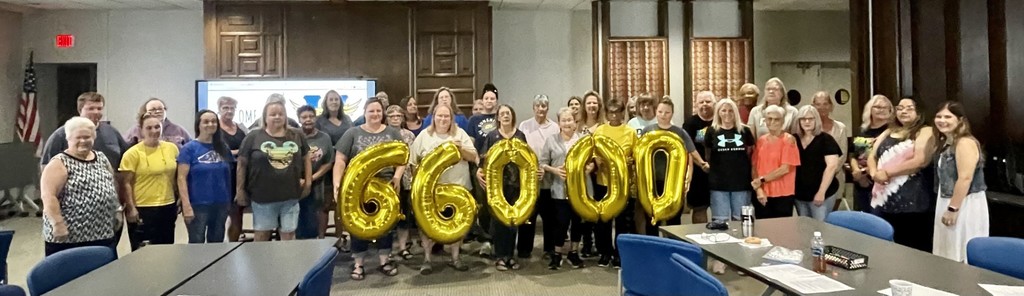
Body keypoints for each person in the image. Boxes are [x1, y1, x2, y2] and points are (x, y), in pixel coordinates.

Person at [40, 92, 130, 253]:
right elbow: (48, 194)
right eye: (78, 138)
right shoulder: (59, 157)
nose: (83, 141)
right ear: (69, 138)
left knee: (104, 271)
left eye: (87, 137)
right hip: (71, 236)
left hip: (103, 231)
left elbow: (114, 179)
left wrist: (118, 208)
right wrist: (57, 223)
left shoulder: (102, 154)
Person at [333, 98, 405, 280]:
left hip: (385, 186)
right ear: (364, 113)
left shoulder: (392, 132)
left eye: (378, 111)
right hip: (358, 188)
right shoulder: (353, 133)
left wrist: (397, 176)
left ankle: (384, 260)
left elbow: (403, 157)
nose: (375, 114)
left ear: (383, 113)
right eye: (371, 111)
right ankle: (358, 264)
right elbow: (340, 159)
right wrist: (337, 183)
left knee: (386, 224)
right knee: (358, 225)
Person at [409, 103, 478, 274]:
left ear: (451, 118)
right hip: (430, 193)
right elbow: (413, 162)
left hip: (457, 189)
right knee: (426, 227)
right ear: (433, 117)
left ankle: (455, 258)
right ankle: (427, 259)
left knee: (457, 225)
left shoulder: (460, 134)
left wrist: (460, 149)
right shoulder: (424, 136)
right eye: (439, 116)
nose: (443, 119)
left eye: (446, 116)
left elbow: (473, 156)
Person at [236, 99, 312, 242]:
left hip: (290, 196)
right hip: (262, 197)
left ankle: (287, 264)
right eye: (272, 114)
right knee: (262, 235)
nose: (277, 117)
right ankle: (262, 264)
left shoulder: (297, 135)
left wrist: (308, 182)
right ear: (265, 117)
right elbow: (242, 163)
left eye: (280, 114)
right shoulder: (253, 136)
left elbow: (306, 157)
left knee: (288, 235)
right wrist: (240, 190)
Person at [867, 98, 936, 252]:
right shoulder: (889, 130)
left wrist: (887, 173)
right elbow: (872, 155)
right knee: (883, 249)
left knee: (911, 250)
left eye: (909, 108)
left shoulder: (925, 131)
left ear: (919, 112)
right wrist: (874, 173)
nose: (903, 111)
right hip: (882, 199)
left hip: (913, 203)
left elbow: (920, 161)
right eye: (900, 108)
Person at [932, 101, 989, 262]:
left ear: (960, 120)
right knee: (946, 251)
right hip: (946, 199)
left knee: (960, 252)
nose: (942, 120)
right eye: (939, 116)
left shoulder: (965, 142)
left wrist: (953, 208)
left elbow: (965, 178)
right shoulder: (948, 143)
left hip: (964, 204)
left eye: (948, 116)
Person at [704, 98, 756, 274]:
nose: (727, 114)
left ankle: (741, 259)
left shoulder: (745, 131)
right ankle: (721, 258)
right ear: (718, 112)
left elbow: (752, 155)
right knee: (720, 221)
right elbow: (708, 156)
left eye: (730, 111)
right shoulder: (711, 132)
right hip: (719, 184)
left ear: (735, 112)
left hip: (741, 183)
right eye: (723, 111)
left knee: (741, 221)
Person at [640, 97, 705, 233]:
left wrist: (702, 163)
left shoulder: (679, 132)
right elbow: (639, 152)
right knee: (651, 218)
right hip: (652, 181)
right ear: (656, 112)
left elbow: (692, 151)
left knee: (674, 219)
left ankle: (672, 247)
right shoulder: (648, 131)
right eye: (660, 112)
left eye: (667, 112)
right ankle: (652, 249)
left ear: (672, 114)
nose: (663, 115)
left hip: (674, 183)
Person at [476, 104, 527, 271]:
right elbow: (484, 158)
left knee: (513, 220)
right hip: (497, 186)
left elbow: (527, 160)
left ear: (512, 116)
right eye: (502, 114)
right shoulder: (492, 136)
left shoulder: (520, 136)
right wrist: (478, 171)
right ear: (498, 118)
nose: (505, 116)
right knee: (499, 221)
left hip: (517, 185)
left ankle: (510, 256)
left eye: (508, 113)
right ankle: (500, 256)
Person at [120, 113, 180, 250]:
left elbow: (176, 176)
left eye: (157, 127)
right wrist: (131, 208)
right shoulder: (132, 153)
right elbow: (126, 183)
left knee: (167, 248)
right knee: (143, 250)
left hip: (168, 206)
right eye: (149, 128)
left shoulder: (172, 149)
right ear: (141, 130)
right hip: (143, 208)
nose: (154, 131)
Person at [177, 110, 234, 243]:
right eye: (206, 122)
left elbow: (229, 175)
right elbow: (181, 179)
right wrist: (186, 206)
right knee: (197, 243)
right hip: (198, 205)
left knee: (217, 243)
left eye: (214, 121)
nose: (210, 124)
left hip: (221, 204)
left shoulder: (223, 147)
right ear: (199, 125)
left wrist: (229, 202)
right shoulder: (189, 149)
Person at [539, 107, 585, 269]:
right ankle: (557, 253)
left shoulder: (582, 140)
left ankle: (574, 252)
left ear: (575, 122)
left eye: (569, 120)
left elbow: (590, 162)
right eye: (563, 120)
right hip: (558, 189)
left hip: (580, 190)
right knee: (561, 222)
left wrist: (587, 168)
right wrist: (555, 170)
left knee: (577, 222)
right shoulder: (551, 140)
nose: (566, 123)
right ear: (559, 123)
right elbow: (542, 163)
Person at [592, 99, 636, 268]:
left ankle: (619, 254)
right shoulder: (600, 130)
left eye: (617, 112)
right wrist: (597, 160)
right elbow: (593, 151)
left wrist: (631, 161)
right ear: (606, 113)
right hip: (603, 182)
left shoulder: (630, 132)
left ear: (622, 113)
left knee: (622, 221)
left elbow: (636, 154)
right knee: (603, 219)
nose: (614, 115)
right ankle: (604, 252)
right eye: (611, 112)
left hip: (623, 183)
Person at [518, 95, 559, 260]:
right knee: (527, 216)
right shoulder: (524, 126)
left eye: (544, 106)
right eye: (538, 106)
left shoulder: (555, 127)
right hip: (528, 179)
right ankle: (524, 249)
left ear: (547, 109)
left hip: (548, 177)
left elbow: (556, 150)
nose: (541, 109)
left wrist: (545, 168)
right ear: (533, 107)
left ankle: (549, 249)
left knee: (549, 218)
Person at [464, 84, 499, 256]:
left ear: (496, 101)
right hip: (480, 169)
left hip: (500, 168)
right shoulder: (474, 120)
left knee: (499, 202)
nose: (489, 101)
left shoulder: (501, 116)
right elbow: (470, 143)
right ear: (482, 100)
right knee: (484, 205)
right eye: (486, 98)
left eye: (492, 98)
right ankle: (486, 241)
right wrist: (479, 165)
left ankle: (499, 240)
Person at [792, 106, 842, 221]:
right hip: (800, 194)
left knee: (820, 228)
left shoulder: (826, 139)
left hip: (822, 193)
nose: (807, 122)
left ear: (817, 120)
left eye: (811, 118)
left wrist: (821, 192)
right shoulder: (793, 139)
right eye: (803, 119)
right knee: (804, 227)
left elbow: (831, 167)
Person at [751, 105, 801, 219]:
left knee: (781, 232)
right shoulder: (761, 140)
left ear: (783, 121)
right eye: (769, 118)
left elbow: (785, 169)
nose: (772, 122)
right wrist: (759, 190)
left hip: (783, 194)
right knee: (762, 230)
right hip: (762, 194)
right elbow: (754, 166)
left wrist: (761, 180)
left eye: (776, 119)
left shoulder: (789, 140)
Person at [296, 105, 335, 240]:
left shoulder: (324, 137)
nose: (308, 120)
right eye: (304, 117)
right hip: (297, 184)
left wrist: (310, 178)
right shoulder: (294, 136)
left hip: (319, 183)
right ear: (299, 119)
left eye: (311, 116)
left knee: (320, 211)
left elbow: (329, 162)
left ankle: (321, 240)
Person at [574, 91, 605, 258]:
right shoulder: (577, 125)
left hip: (597, 173)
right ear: (584, 106)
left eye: (595, 103)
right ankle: (586, 244)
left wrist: (593, 164)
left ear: (599, 106)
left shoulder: (603, 126)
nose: (592, 106)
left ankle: (597, 244)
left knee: (595, 208)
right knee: (582, 209)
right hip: (580, 173)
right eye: (589, 103)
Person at [850, 95, 893, 213]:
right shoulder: (862, 130)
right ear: (870, 109)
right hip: (860, 183)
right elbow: (854, 154)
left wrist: (869, 171)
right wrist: (856, 171)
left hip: (881, 182)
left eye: (885, 107)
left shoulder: (893, 131)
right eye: (878, 107)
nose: (881, 109)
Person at [386, 105, 418, 261]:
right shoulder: (383, 133)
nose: (395, 118)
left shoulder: (409, 135)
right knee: (388, 215)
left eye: (398, 115)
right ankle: (388, 249)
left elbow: (412, 159)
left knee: (404, 215)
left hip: (405, 179)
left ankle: (403, 247)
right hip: (385, 179)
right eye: (391, 116)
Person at [682, 91, 716, 224]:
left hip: (719, 172)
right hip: (698, 173)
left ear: (714, 103)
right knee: (699, 209)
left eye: (708, 101)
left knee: (720, 209)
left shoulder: (720, 121)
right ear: (696, 104)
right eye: (701, 102)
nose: (704, 105)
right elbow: (689, 149)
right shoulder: (690, 124)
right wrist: (702, 164)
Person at [218, 96, 250, 242]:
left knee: (237, 215)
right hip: (222, 177)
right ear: (219, 109)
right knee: (220, 216)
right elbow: (217, 151)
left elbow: (249, 148)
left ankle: (233, 245)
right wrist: (239, 152)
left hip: (240, 176)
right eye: (225, 108)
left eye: (232, 108)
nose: (229, 111)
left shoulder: (241, 128)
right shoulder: (215, 129)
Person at [811, 91, 849, 210]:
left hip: (836, 177)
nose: (822, 107)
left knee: (832, 216)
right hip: (813, 179)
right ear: (813, 107)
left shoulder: (840, 127)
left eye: (825, 104)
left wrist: (830, 173)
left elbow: (842, 153)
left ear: (831, 106)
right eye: (818, 104)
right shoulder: (808, 128)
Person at [124, 97, 192, 147]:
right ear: (145, 113)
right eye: (153, 109)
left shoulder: (179, 130)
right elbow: (123, 149)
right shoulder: (135, 131)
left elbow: (193, 149)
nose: (157, 112)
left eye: (160, 109)